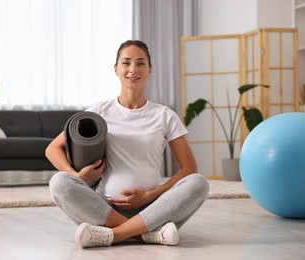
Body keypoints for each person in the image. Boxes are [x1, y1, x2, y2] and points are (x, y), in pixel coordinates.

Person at [45, 40, 209, 248]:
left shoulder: (164, 115)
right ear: (116, 69)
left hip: (153, 208)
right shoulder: (99, 111)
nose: (133, 70)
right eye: (126, 63)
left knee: (199, 183)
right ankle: (147, 233)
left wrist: (150, 195)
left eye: (141, 63)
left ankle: (114, 235)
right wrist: (77, 177)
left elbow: (189, 168)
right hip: (104, 208)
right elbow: (52, 149)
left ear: (150, 70)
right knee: (59, 182)